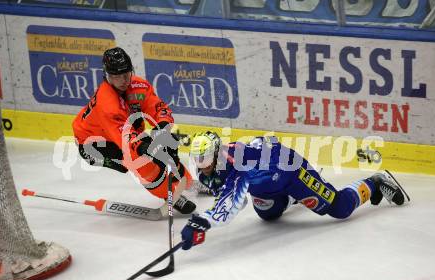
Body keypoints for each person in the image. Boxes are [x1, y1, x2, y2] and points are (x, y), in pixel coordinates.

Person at [180, 131, 406, 250]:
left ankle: (375, 181)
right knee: (268, 214)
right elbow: (226, 191)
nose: (203, 166)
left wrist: (202, 221)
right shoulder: (209, 167)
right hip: (267, 181)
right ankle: (290, 198)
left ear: (217, 153)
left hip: (291, 171)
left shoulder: (237, 164)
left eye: (206, 160)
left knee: (340, 208)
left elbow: (231, 204)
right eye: (198, 160)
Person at [72, 47, 195, 214]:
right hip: (93, 145)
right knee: (140, 162)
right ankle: (172, 194)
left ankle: (188, 182)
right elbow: (127, 140)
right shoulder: (107, 105)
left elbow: (159, 109)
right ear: (107, 76)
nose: (124, 80)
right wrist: (150, 149)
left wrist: (161, 130)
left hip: (120, 133)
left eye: (126, 74)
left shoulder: (138, 86)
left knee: (162, 151)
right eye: (117, 76)